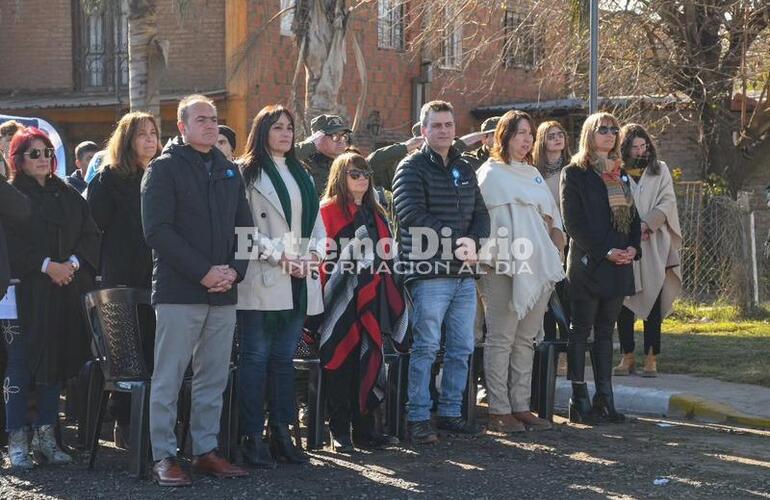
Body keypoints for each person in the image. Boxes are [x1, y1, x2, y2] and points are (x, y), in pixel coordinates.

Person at [141, 94, 252, 486]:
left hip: (223, 292)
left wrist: (234, 273)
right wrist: (203, 272)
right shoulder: (164, 169)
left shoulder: (228, 170)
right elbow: (158, 232)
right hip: (179, 293)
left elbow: (245, 229)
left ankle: (205, 451)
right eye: (201, 119)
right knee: (169, 377)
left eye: (214, 119)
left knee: (213, 377)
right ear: (182, 125)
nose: (211, 125)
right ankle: (164, 457)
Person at [392, 100, 490, 444]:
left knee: (462, 347)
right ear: (423, 131)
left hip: (463, 273)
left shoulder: (464, 168)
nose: (445, 130)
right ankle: (417, 417)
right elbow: (410, 213)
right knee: (427, 347)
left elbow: (481, 213)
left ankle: (449, 413)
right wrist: (455, 242)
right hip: (428, 273)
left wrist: (474, 241)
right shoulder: (410, 167)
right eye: (437, 125)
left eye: (449, 125)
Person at [4, 127, 100, 469]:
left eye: (47, 152)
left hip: (61, 290)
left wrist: (70, 265)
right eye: (34, 153)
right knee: (19, 366)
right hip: (21, 292)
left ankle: (46, 437)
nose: (43, 159)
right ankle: (16, 440)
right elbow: (10, 245)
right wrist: (46, 266)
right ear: (18, 159)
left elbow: (90, 233)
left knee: (54, 364)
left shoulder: (68, 193)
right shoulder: (12, 194)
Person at [235, 104, 324, 466]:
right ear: (261, 132)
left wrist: (314, 255)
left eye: (289, 127)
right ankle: (252, 436)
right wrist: (281, 257)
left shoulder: (301, 173)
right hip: (264, 275)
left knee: (283, 361)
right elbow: (243, 231)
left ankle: (282, 433)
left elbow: (316, 223)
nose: (285, 134)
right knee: (255, 359)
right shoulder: (246, 173)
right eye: (277, 128)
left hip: (299, 278)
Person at [476, 110, 565, 434]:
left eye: (529, 133)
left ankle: (521, 406)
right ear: (504, 136)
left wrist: (555, 249)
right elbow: (481, 223)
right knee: (501, 337)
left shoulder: (534, 175)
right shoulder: (490, 174)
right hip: (499, 266)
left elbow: (554, 220)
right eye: (519, 133)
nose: (526, 139)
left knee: (525, 339)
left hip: (536, 267)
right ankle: (499, 410)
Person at [318, 151, 407, 452]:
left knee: (370, 362)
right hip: (338, 299)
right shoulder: (327, 211)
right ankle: (340, 431)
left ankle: (366, 430)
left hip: (374, 300)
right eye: (355, 174)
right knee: (340, 362)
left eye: (366, 174)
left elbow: (388, 254)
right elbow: (322, 258)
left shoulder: (377, 212)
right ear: (340, 178)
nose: (362, 179)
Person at [560, 112, 641, 425]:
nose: (610, 134)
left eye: (614, 130)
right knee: (581, 330)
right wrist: (606, 250)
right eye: (603, 129)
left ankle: (604, 397)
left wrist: (632, 249)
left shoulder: (620, 173)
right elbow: (573, 223)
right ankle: (578, 397)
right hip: (589, 264)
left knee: (607, 332)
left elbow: (634, 219)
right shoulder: (575, 172)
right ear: (589, 135)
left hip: (619, 265)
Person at [87, 111, 160, 447]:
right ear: (126, 139)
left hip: (158, 277)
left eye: (154, 133)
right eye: (142, 134)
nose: (150, 140)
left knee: (153, 350)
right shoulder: (108, 178)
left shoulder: (161, 175)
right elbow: (93, 229)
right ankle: (125, 424)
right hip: (121, 277)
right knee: (126, 354)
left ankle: (153, 426)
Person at [614, 124, 682, 378]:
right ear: (626, 148)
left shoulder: (660, 169)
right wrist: (630, 228)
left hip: (654, 242)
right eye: (635, 147)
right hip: (625, 242)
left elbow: (668, 201)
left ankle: (651, 357)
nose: (641, 151)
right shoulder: (616, 171)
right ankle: (627, 356)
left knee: (653, 298)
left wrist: (647, 223)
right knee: (624, 301)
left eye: (644, 146)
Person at [295, 114, 423, 195]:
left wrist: (405, 147)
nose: (341, 140)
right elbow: (279, 156)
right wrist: (311, 145)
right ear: (318, 139)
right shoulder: (304, 163)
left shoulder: (347, 163)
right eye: (334, 136)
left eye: (343, 136)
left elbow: (373, 162)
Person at [533, 120, 572, 373]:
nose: (557, 139)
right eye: (551, 136)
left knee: (565, 297)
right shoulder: (533, 173)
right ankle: (548, 351)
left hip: (566, 239)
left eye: (560, 134)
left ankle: (567, 353)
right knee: (545, 300)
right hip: (539, 240)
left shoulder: (572, 170)